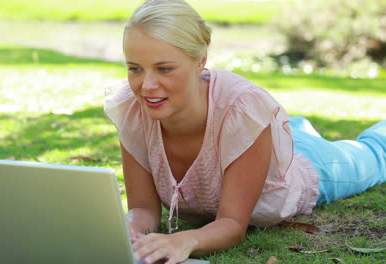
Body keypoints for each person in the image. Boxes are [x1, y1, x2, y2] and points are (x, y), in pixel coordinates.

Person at [103, 0, 386, 263]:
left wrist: (184, 241)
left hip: (306, 167)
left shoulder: (240, 109)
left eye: (164, 69)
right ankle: (297, 129)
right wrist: (130, 233)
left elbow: (233, 224)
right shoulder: (132, 108)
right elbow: (143, 209)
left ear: (200, 60)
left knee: (376, 152)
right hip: (260, 141)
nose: (147, 85)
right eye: (135, 69)